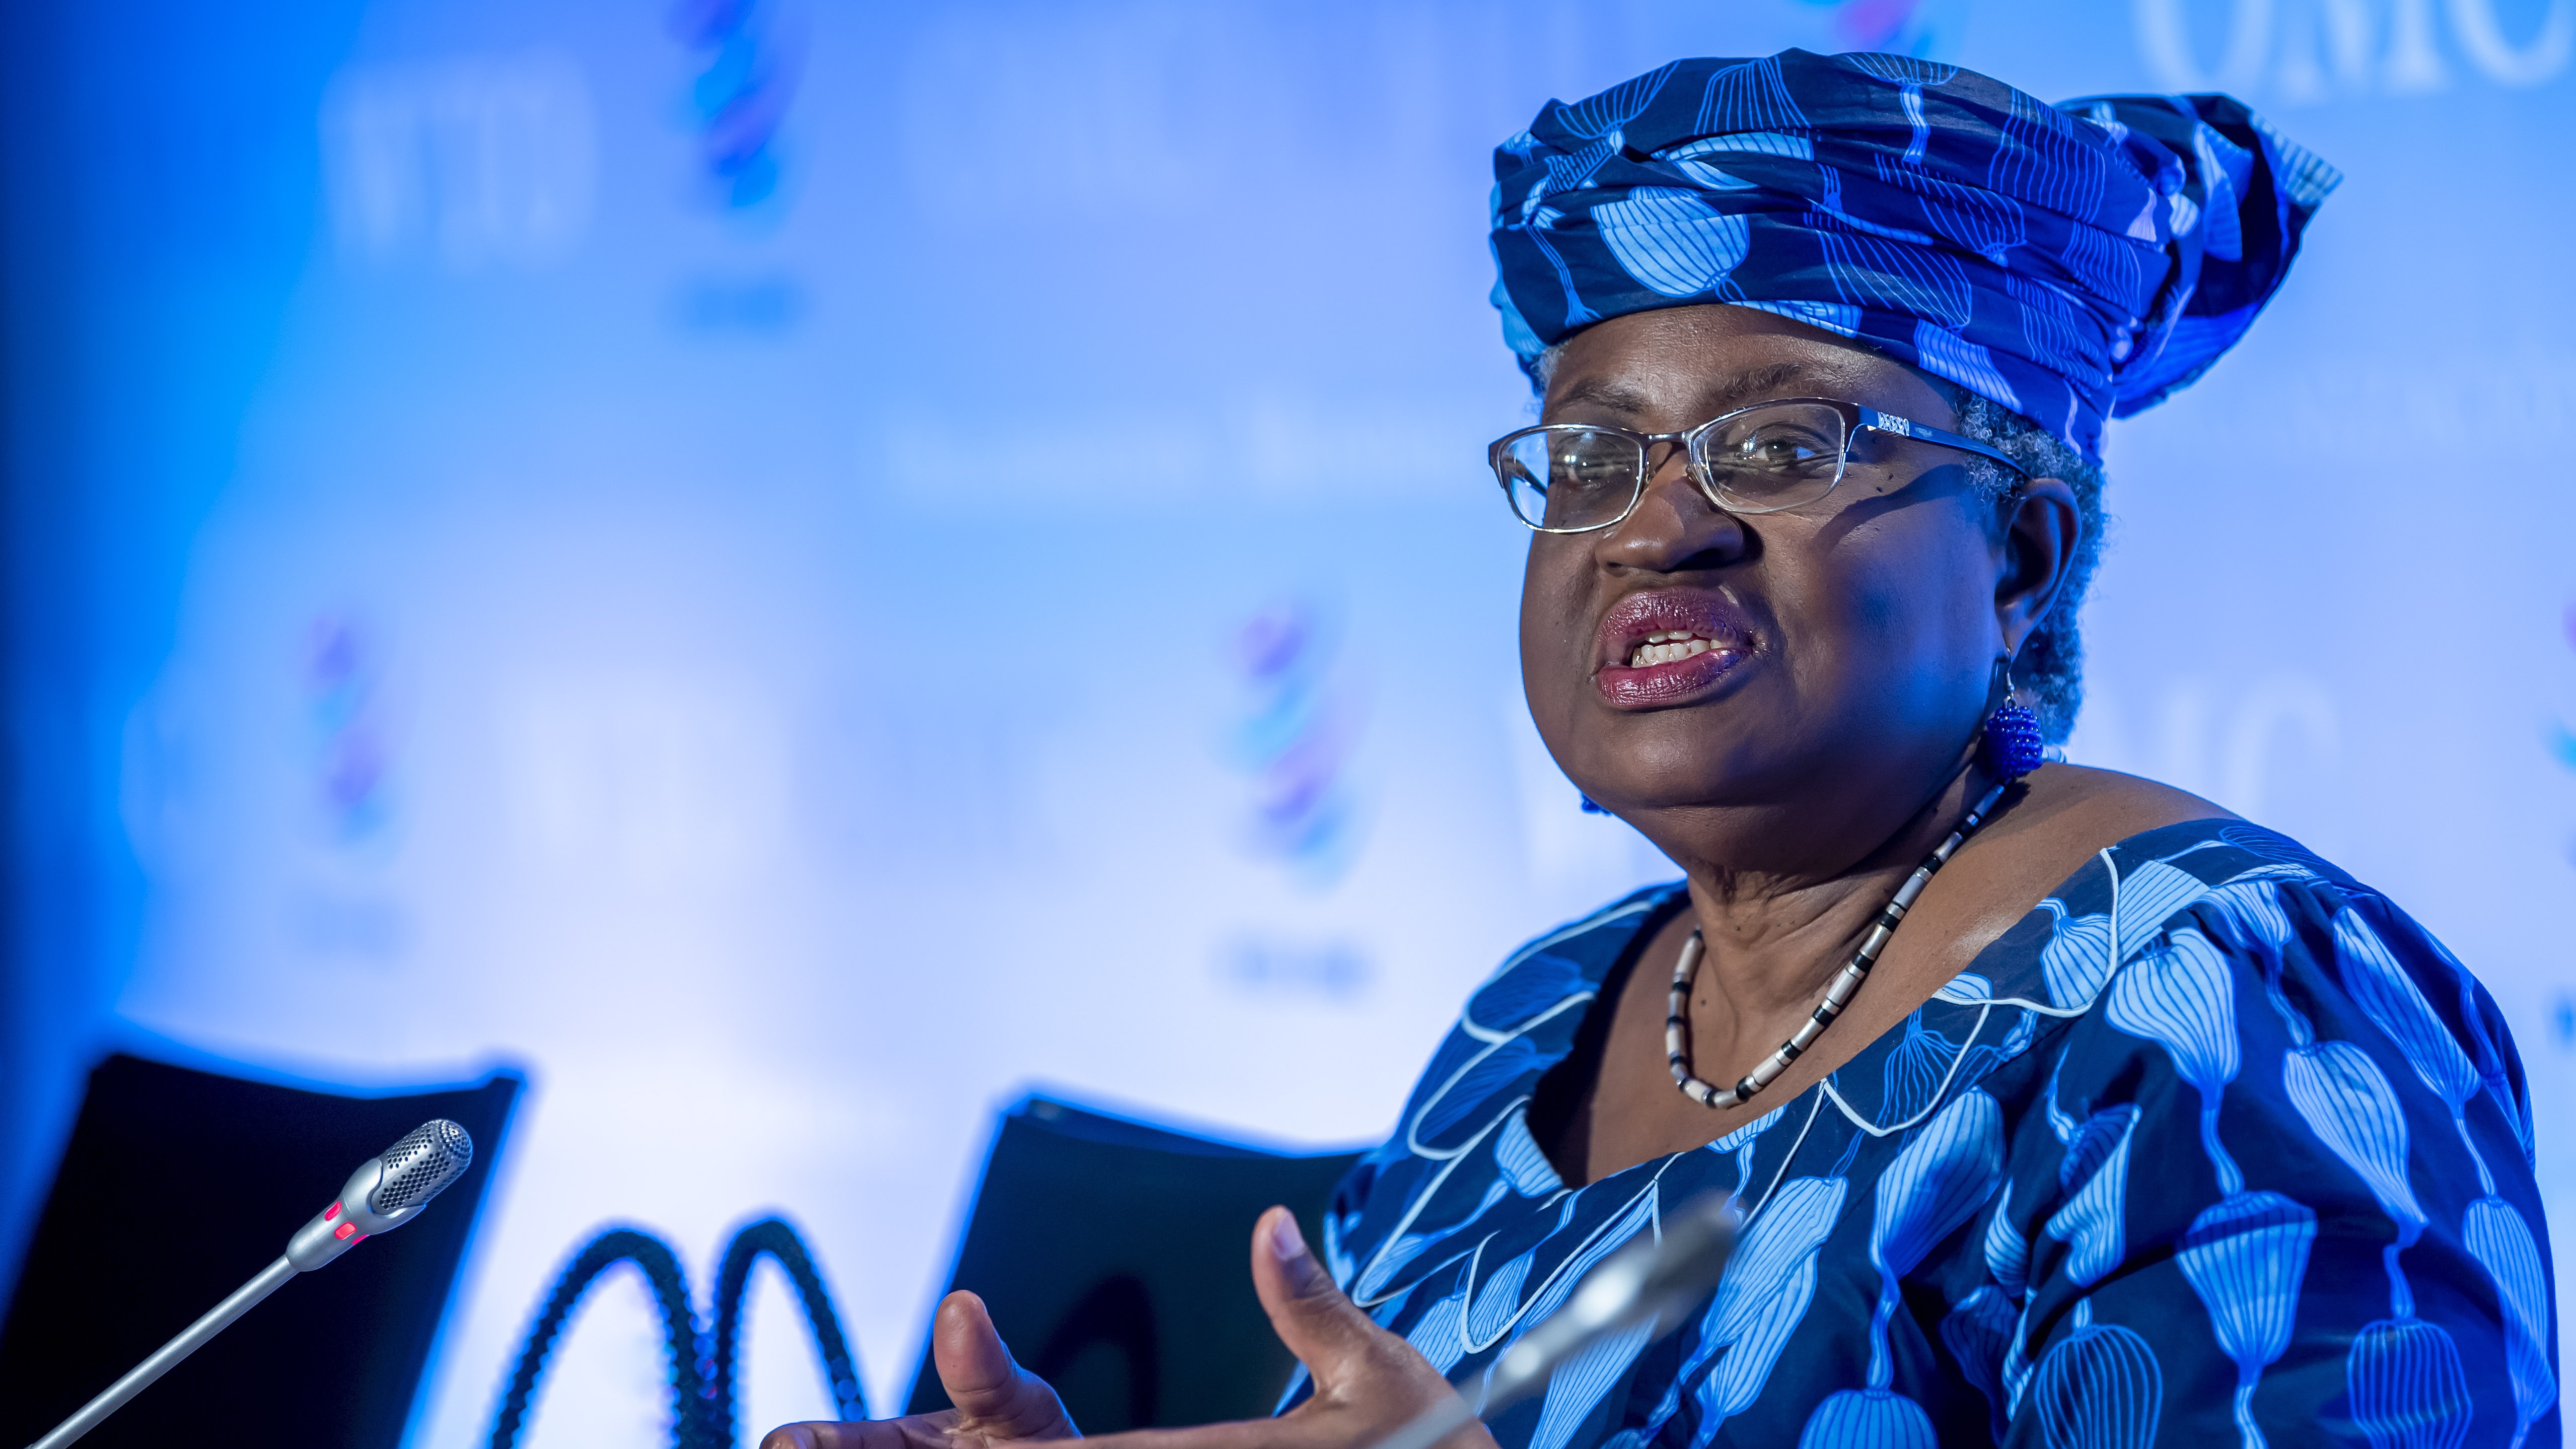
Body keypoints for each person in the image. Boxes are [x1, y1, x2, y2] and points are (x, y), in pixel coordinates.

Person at [767, 49, 2556, 1449]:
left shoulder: (2219, 996)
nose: (1653, 532)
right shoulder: (1529, 1022)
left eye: (1780, 448)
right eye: (1592, 458)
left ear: (2020, 556)